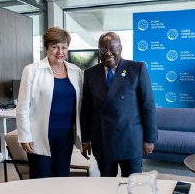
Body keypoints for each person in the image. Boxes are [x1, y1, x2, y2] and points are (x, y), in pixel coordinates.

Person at [80, 32, 157, 177]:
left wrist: (149, 138)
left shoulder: (137, 69)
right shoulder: (90, 73)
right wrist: (85, 139)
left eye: (112, 48)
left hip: (130, 139)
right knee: (107, 184)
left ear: (120, 49)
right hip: (103, 140)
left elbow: (148, 105)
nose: (108, 53)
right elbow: (86, 110)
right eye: (103, 49)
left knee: (132, 183)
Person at [16, 27, 82, 179]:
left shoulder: (75, 71)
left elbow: (79, 106)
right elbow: (23, 107)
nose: (60, 52)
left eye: (64, 47)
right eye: (55, 47)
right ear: (46, 48)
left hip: (66, 136)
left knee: (61, 177)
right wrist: (25, 136)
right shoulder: (32, 70)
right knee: (41, 178)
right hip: (39, 134)